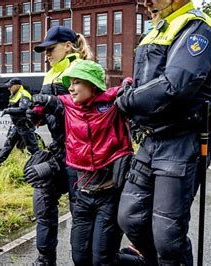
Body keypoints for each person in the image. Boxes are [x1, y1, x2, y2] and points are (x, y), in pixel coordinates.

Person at [114, 0, 211, 264]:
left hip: (183, 138)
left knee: (168, 235)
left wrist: (126, 101)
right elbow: (145, 82)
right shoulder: (156, 29)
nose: (146, 1)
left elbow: (175, 85)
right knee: (130, 217)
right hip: (152, 137)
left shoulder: (198, 28)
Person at [30, 60, 133, 265]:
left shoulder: (112, 102)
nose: (71, 87)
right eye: (70, 83)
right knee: (80, 257)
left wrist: (129, 85)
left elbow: (129, 84)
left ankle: (140, 260)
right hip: (82, 196)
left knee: (102, 260)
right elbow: (49, 104)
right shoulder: (68, 104)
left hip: (109, 195)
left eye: (76, 82)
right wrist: (34, 111)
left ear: (91, 84)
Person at [26, 26, 94, 265]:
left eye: (50, 49)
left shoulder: (82, 69)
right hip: (59, 149)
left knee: (81, 212)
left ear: (67, 46)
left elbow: (85, 111)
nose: (46, 55)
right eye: (43, 51)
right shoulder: (49, 74)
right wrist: (31, 115)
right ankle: (45, 259)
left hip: (82, 152)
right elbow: (45, 114)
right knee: (42, 199)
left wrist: (52, 103)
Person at [0, 78, 39, 165]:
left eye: (10, 86)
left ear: (16, 86)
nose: (8, 88)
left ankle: (39, 164)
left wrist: (8, 110)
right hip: (17, 125)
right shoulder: (14, 94)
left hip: (25, 126)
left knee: (33, 148)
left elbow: (23, 109)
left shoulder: (24, 94)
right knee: (8, 144)